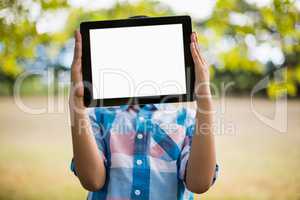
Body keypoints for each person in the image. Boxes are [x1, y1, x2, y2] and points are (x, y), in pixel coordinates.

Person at [69, 29, 218, 200]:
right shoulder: (98, 116)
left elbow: (199, 184)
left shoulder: (187, 119)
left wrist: (205, 101)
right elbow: (92, 181)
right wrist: (77, 105)